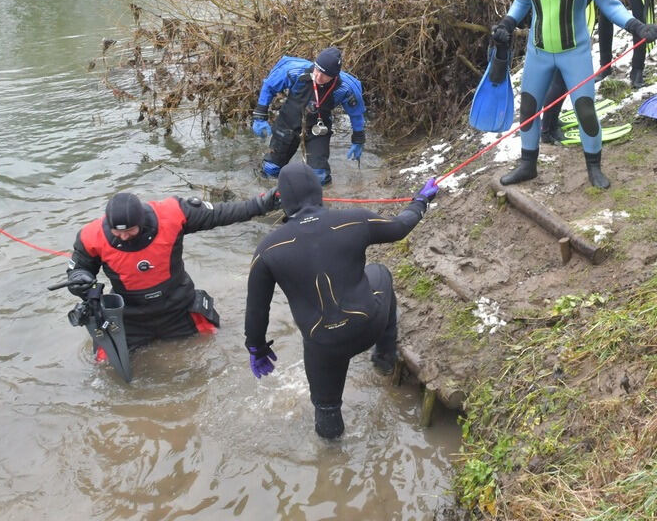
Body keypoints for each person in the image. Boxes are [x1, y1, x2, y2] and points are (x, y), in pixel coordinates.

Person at [244, 162, 438, 439]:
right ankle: (384, 357)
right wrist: (420, 201)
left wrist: (256, 348)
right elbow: (400, 227)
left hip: (322, 347)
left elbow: (256, 310)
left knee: (326, 408)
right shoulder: (354, 220)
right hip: (367, 326)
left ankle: (332, 464)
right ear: (319, 192)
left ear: (282, 202)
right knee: (380, 272)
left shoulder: (267, 250)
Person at [491, 0, 657, 189]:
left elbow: (609, 3)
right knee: (528, 107)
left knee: (584, 110)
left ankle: (594, 168)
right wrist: (506, 24)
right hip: (539, 52)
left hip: (575, 53)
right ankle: (528, 165)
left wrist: (636, 26)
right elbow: (521, 2)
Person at [62, 188, 280, 350]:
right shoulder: (91, 236)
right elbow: (79, 271)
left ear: (141, 221)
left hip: (178, 307)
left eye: (130, 230)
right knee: (103, 368)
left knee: (216, 344)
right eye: (118, 233)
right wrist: (80, 279)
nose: (124, 236)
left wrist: (263, 204)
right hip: (130, 317)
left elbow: (221, 214)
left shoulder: (173, 214)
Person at [539, 0, 646, 143]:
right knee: (562, 80)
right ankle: (547, 131)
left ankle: (550, 121)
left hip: (552, 26)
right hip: (566, 30)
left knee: (558, 79)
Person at [251, 46, 366, 186]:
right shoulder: (294, 70)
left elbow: (356, 114)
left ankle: (321, 202)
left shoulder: (346, 87)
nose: (318, 77)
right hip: (288, 123)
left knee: (319, 177)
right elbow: (269, 86)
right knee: (271, 169)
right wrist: (259, 117)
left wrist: (358, 139)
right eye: (316, 70)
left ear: (334, 76)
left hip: (318, 129)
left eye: (324, 75)